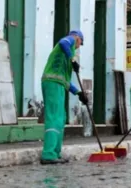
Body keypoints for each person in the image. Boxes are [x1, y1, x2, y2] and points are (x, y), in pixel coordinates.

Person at [40, 30, 88, 165]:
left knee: (60, 118)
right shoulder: (70, 40)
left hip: (58, 85)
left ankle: (55, 153)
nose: (79, 46)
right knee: (54, 117)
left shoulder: (65, 58)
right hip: (52, 83)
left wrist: (78, 93)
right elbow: (63, 42)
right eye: (81, 43)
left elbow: (65, 80)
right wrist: (73, 59)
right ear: (78, 38)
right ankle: (48, 154)